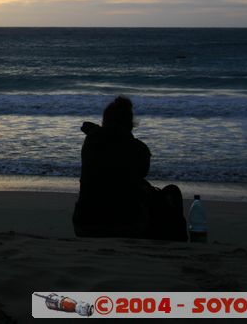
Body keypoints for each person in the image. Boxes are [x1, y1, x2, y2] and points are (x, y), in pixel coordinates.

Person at [72, 96, 187, 241]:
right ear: (130, 124)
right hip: (126, 224)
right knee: (172, 192)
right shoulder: (138, 149)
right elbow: (142, 171)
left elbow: (107, 139)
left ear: (105, 121)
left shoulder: (91, 141)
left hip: (84, 224)